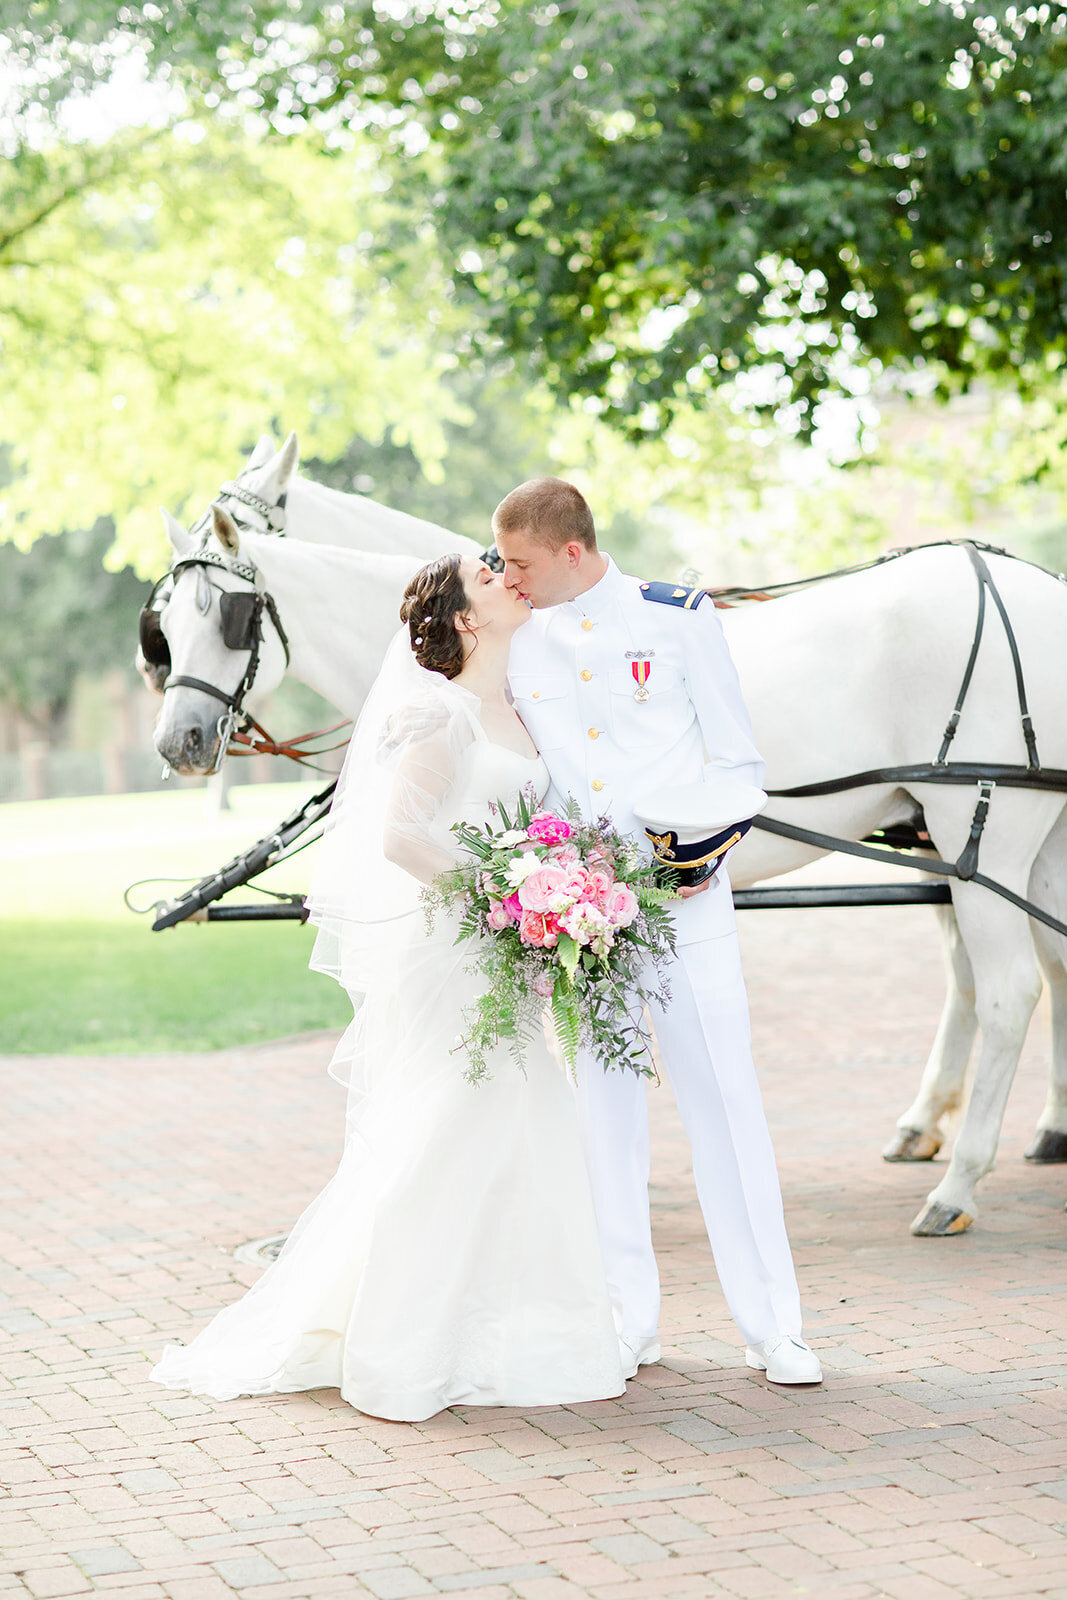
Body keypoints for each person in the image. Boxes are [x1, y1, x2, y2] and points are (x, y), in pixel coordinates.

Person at [150, 552, 627, 1420]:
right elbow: (401, 837)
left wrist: (556, 888)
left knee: (520, 1123)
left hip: (508, 943)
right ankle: (404, 1337)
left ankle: (526, 1328)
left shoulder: (517, 706)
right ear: (462, 620)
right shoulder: (434, 714)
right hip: (454, 945)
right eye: (488, 581)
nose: (508, 581)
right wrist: (505, 894)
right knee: (449, 1125)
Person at [496, 477, 822, 1386]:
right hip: (577, 921)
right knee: (604, 1118)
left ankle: (773, 1328)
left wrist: (694, 851)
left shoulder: (676, 619)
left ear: (571, 551)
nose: (506, 577)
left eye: (520, 560)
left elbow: (739, 765)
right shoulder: (524, 638)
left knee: (723, 1107)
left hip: (683, 906)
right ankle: (623, 1319)